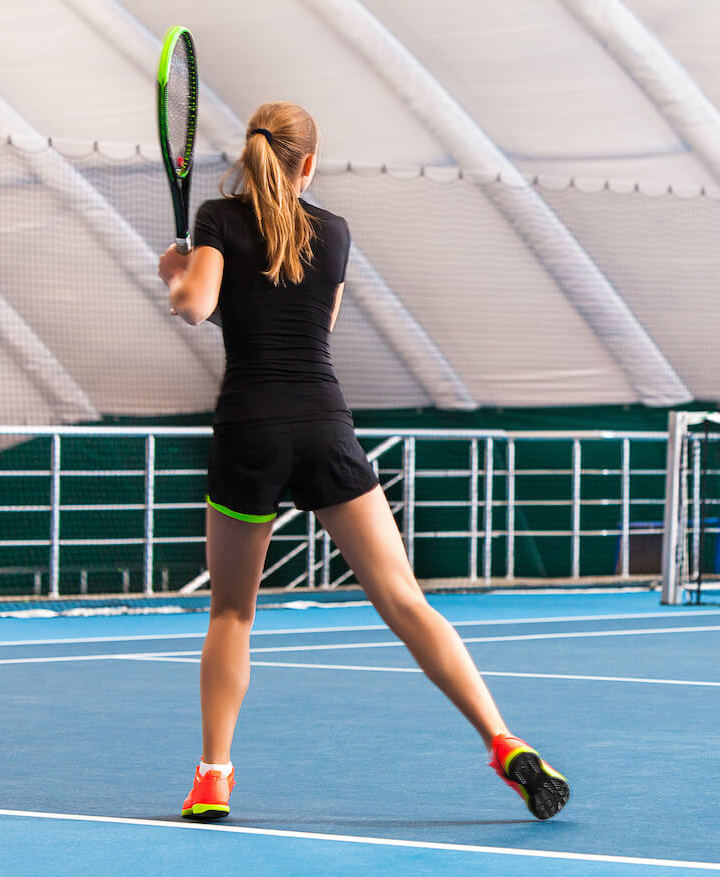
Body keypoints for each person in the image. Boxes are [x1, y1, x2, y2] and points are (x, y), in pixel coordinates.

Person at [157, 101, 570, 823]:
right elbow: (309, 325)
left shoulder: (217, 221)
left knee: (231, 612)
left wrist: (177, 273)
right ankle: (503, 741)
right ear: (307, 163)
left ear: (253, 154)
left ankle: (214, 776)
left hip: (250, 428)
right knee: (406, 600)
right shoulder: (336, 233)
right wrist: (201, 282)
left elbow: (196, 307)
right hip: (323, 423)